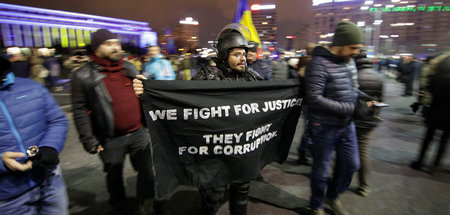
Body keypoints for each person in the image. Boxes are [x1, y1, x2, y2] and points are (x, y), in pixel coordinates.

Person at [133, 23, 262, 215]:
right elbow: (180, 100)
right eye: (237, 54)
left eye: (244, 53)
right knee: (212, 199)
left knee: (241, 196)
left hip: (243, 154)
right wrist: (148, 90)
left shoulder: (252, 78)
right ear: (223, 55)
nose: (243, 58)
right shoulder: (206, 78)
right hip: (214, 157)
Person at [71, 29, 155, 214]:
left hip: (139, 133)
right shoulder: (83, 76)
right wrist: (89, 140)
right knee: (114, 176)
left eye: (116, 43)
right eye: (108, 44)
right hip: (109, 138)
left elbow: (142, 96)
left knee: (147, 172)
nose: (115, 47)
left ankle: (147, 206)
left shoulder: (130, 68)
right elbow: (79, 110)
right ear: (96, 49)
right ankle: (119, 206)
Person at [304, 21, 374, 215]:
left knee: (352, 164)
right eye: (353, 47)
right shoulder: (318, 64)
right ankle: (316, 206)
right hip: (324, 126)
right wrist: (350, 108)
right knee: (321, 170)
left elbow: (351, 88)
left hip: (346, 125)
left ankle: (333, 196)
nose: (356, 52)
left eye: (357, 48)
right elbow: (314, 98)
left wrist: (364, 98)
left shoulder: (349, 61)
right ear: (340, 43)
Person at [0, 54, 69, 214]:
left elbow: (57, 120)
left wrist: (50, 147)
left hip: (50, 182)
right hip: (7, 197)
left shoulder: (32, 87)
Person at [410, 52, 450, 173]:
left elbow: (430, 90)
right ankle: (435, 165)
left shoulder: (435, 76)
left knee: (428, 137)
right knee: (444, 139)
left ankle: (420, 161)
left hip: (435, 109)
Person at [353, 52, 383, 197]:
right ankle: (364, 185)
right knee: (363, 152)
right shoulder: (378, 76)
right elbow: (380, 101)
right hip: (369, 120)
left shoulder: (353, 76)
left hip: (352, 119)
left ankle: (339, 182)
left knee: (343, 150)